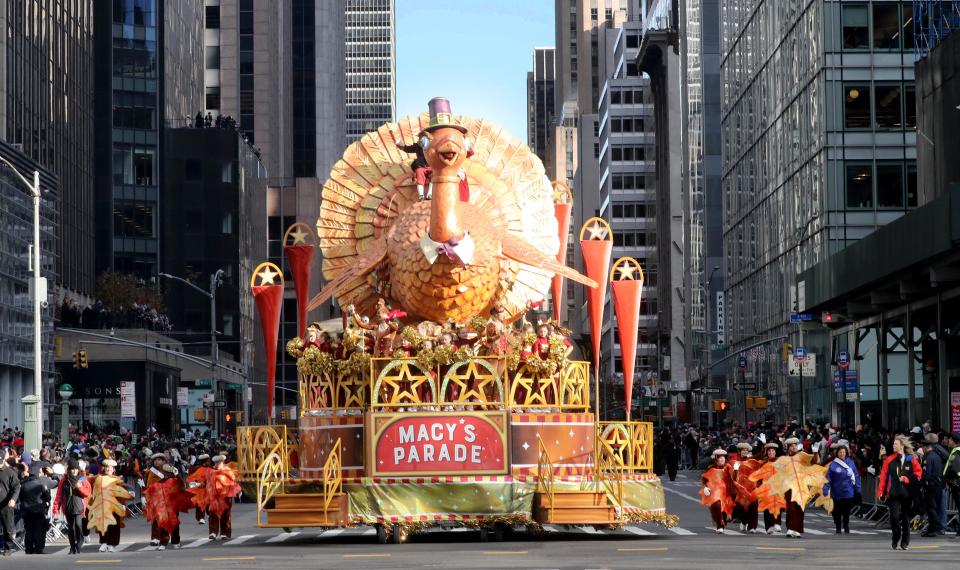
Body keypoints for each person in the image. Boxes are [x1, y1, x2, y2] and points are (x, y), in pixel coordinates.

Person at [878, 434, 922, 550]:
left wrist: (907, 479)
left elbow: (918, 474)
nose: (893, 445)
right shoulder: (889, 460)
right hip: (894, 494)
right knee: (894, 517)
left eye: (895, 444)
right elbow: (883, 477)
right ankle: (895, 537)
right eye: (893, 444)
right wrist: (881, 492)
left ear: (902, 446)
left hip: (908, 494)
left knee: (906, 519)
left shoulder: (911, 459)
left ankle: (905, 542)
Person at [89, 458, 131, 553]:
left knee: (114, 525)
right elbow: (88, 483)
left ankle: (112, 544)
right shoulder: (98, 478)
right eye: (107, 467)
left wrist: (122, 504)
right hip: (101, 505)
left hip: (114, 506)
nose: (108, 469)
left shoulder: (117, 480)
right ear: (103, 468)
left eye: (111, 467)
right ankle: (104, 542)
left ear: (114, 469)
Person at [54, 458, 91, 554]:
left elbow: (87, 493)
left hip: (79, 507)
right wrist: (56, 508)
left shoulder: (82, 479)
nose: (74, 471)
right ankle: (72, 547)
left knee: (78, 525)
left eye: (76, 469)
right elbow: (58, 495)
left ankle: (79, 544)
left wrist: (80, 487)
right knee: (71, 528)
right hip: (68, 507)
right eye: (72, 469)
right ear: (69, 469)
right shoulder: (63, 480)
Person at [823, 439, 860, 534]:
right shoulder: (833, 464)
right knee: (836, 512)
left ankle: (846, 525)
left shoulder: (851, 463)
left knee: (846, 511)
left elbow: (856, 477)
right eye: (840, 452)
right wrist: (825, 489)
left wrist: (858, 490)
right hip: (836, 493)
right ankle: (838, 526)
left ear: (846, 453)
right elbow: (828, 478)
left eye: (844, 452)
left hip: (848, 492)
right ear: (837, 453)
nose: (842, 454)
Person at [19, 465, 54, 554]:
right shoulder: (41, 484)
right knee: (39, 530)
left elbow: (20, 497)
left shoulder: (24, 484)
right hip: (39, 509)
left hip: (27, 510)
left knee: (29, 530)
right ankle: (38, 548)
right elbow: (48, 497)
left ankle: (29, 548)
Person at [920, 432, 948, 537]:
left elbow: (926, 473)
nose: (922, 449)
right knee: (935, 507)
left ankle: (936, 527)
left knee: (931, 508)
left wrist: (922, 483)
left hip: (930, 486)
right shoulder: (937, 456)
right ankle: (932, 528)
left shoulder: (927, 458)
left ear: (926, 447)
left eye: (923, 447)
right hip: (939, 484)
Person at [207, 455, 240, 540]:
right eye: (216, 462)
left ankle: (224, 532)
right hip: (214, 497)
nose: (217, 464)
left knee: (226, 514)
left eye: (219, 462)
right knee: (213, 513)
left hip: (226, 496)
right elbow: (207, 482)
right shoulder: (210, 471)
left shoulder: (228, 471)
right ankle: (213, 532)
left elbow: (233, 480)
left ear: (223, 462)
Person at [700, 449, 733, 534]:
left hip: (725, 491)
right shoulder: (711, 468)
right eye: (720, 458)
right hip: (714, 491)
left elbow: (733, 478)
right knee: (716, 506)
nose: (722, 459)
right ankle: (719, 525)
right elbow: (704, 478)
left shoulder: (728, 467)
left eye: (723, 457)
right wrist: (705, 487)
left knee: (724, 509)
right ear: (716, 459)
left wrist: (735, 471)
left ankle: (722, 522)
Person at [0, 449, 20, 556]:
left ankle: (8, 547)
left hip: (6, 504)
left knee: (7, 527)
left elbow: (17, 486)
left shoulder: (9, 472)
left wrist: (13, 499)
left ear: (4, 460)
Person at [942, 431, 960, 539]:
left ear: (954, 441)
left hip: (957, 485)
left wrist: (948, 479)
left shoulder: (955, 452)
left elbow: (952, 469)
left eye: (949, 439)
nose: (948, 441)